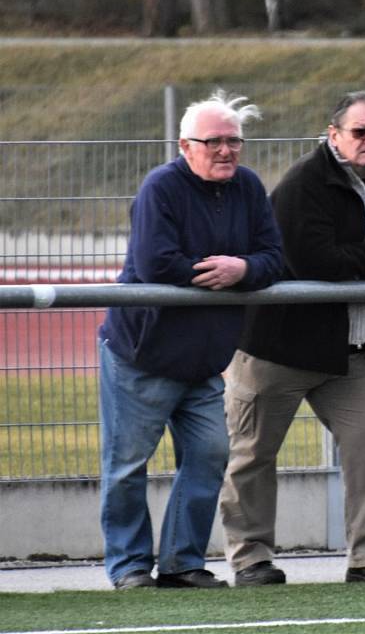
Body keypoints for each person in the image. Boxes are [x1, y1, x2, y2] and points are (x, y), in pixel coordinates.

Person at [219, 91, 365, 585]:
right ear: (333, 134)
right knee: (253, 454)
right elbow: (314, 262)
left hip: (353, 352)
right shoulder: (305, 182)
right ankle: (251, 558)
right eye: (360, 131)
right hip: (278, 345)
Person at [97, 90, 283, 590]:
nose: (226, 151)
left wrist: (241, 267)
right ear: (185, 145)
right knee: (127, 467)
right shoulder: (161, 188)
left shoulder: (248, 186)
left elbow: (274, 256)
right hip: (142, 355)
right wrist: (224, 271)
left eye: (234, 141)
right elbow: (156, 263)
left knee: (209, 455)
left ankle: (182, 563)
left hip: (204, 362)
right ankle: (130, 567)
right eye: (214, 141)